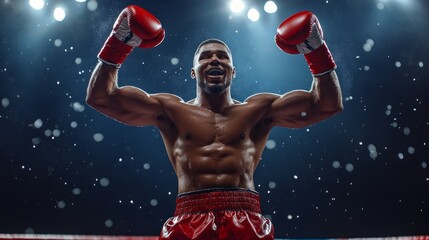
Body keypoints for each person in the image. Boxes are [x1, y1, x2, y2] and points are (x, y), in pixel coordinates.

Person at [86, 5, 343, 240]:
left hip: (246, 218)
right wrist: (119, 42)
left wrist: (315, 49)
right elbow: (101, 97)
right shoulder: (171, 110)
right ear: (193, 71)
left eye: (222, 56)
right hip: (189, 218)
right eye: (205, 56)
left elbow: (327, 104)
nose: (215, 59)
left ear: (233, 71)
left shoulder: (258, 110)